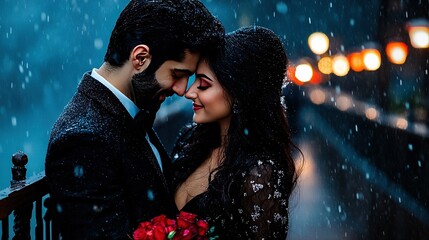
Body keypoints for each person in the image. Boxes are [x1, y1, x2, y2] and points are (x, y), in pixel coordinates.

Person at [45, 0, 224, 239]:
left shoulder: (131, 110)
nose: (182, 90)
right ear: (140, 58)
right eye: (177, 74)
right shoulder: (81, 140)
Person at [171, 26, 300, 239]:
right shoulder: (189, 141)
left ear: (239, 94)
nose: (189, 92)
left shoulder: (259, 174)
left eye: (203, 84)